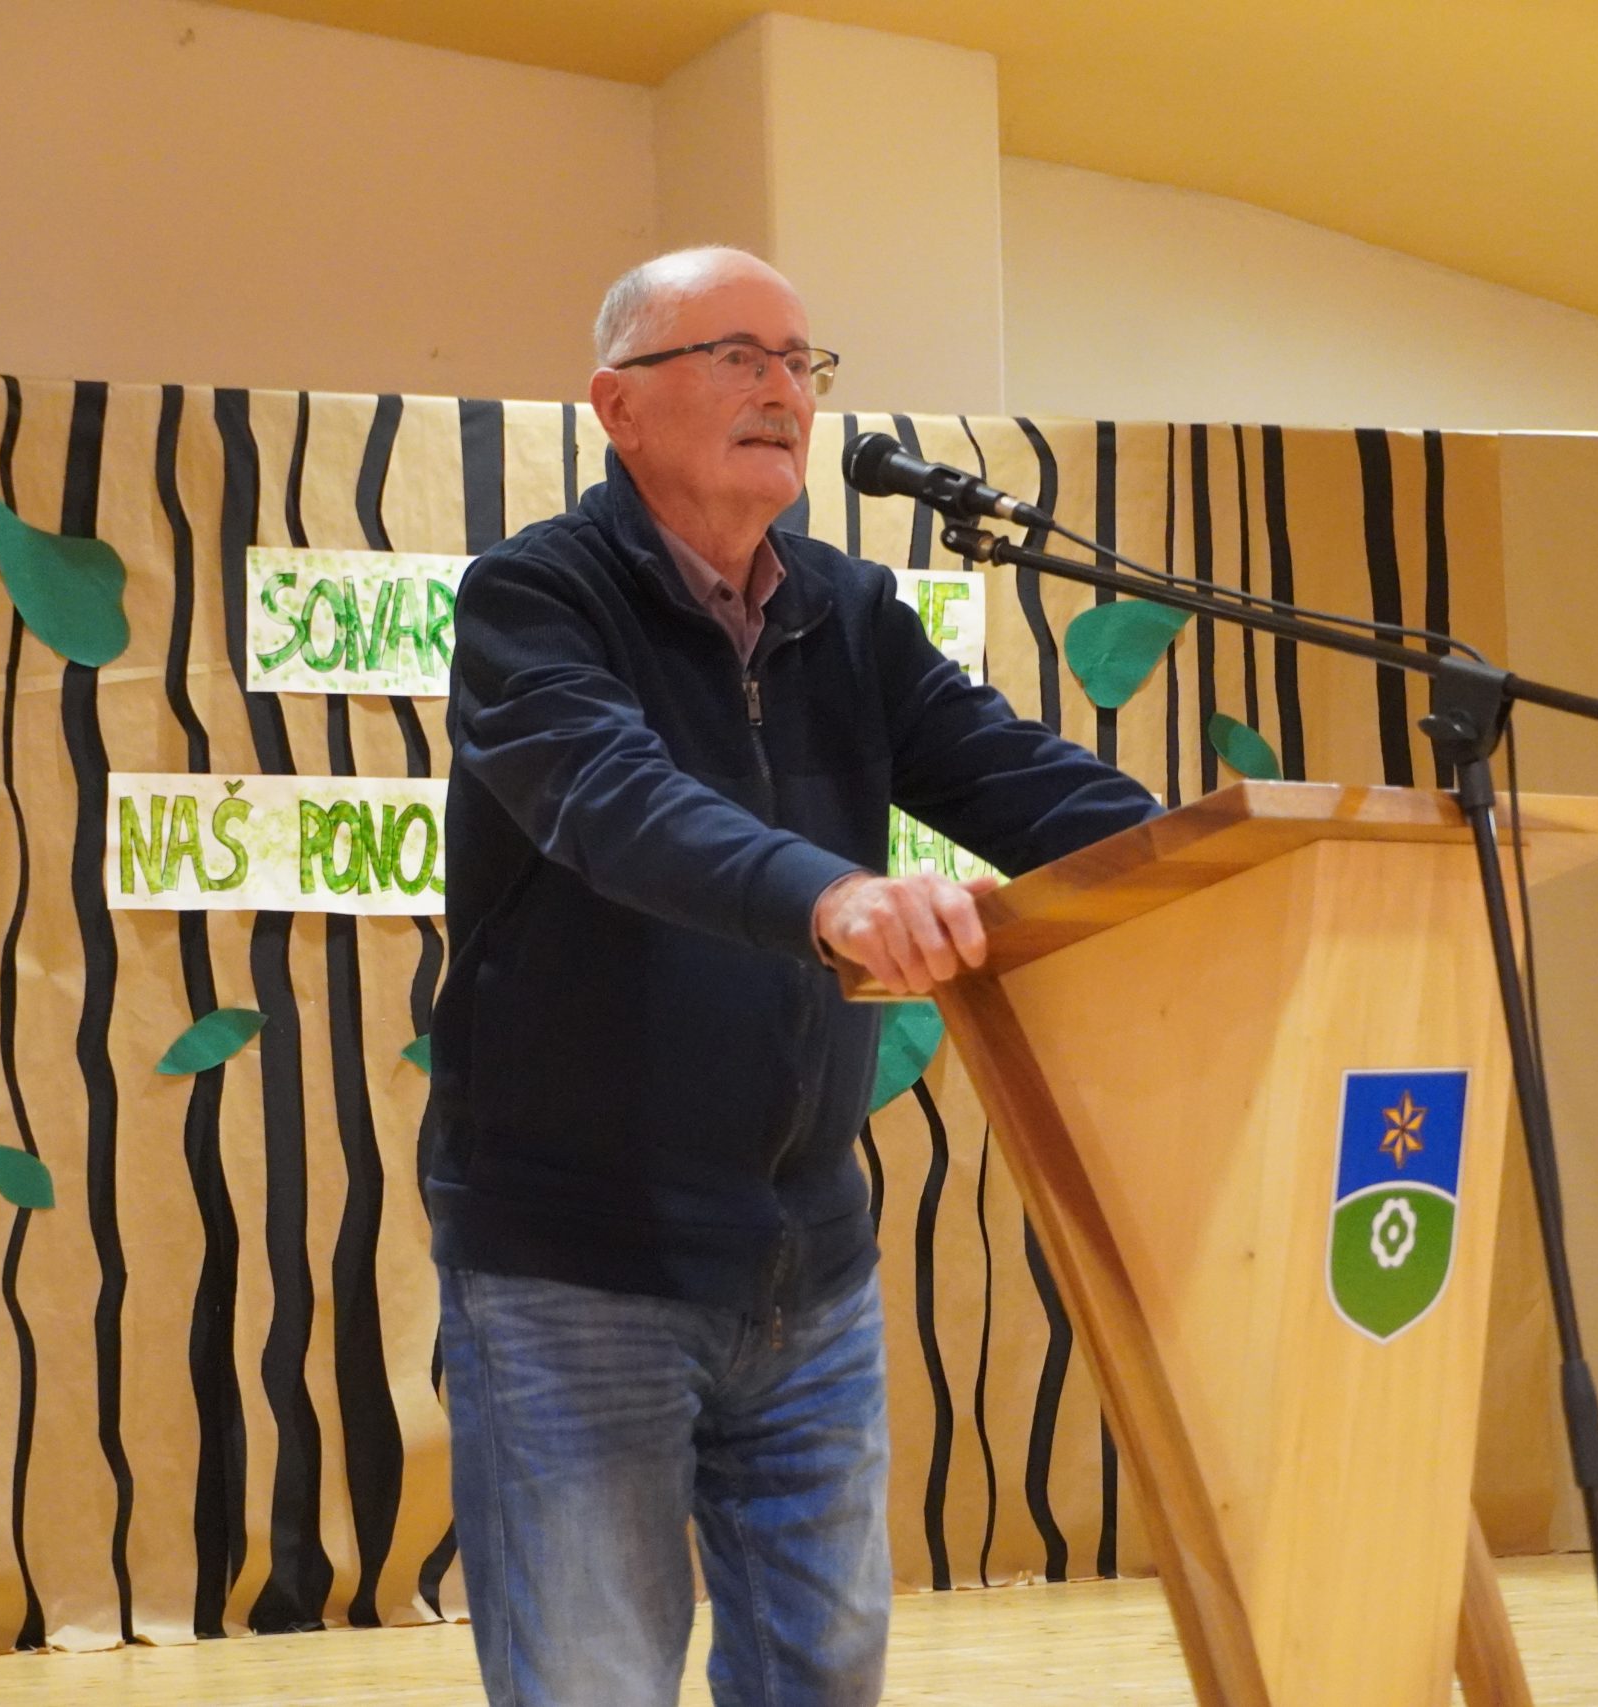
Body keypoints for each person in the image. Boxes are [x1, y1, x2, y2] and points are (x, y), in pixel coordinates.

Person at [425, 245, 1160, 1706]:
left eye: (800, 362)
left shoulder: (847, 608)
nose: (783, 389)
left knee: (824, 1679)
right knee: (591, 1685)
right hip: (578, 1270)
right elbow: (616, 803)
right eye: (736, 356)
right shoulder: (535, 599)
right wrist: (833, 895)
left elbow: (1012, 775)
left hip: (809, 1268)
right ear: (618, 406)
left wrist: (1207, 857)